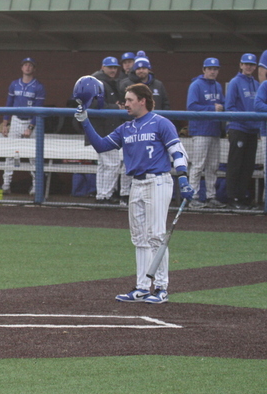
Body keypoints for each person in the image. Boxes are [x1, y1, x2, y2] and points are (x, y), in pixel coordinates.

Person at [74, 82, 194, 304]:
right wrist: (86, 122)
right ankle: (141, 287)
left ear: (142, 100)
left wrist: (184, 177)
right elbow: (101, 146)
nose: (125, 104)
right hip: (135, 185)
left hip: (158, 182)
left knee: (156, 235)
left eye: (129, 100)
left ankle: (161, 288)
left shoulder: (161, 123)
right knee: (139, 238)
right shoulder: (125, 128)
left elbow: (177, 150)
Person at [116, 53, 169, 206]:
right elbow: (123, 105)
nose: (141, 71)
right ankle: (125, 194)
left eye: (144, 68)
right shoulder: (126, 84)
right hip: (134, 128)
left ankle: (153, 197)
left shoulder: (158, 85)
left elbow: (166, 103)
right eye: (138, 68)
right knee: (129, 162)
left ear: (149, 69)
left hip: (155, 128)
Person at [0, 57, 46, 195]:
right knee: (10, 154)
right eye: (25, 65)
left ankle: (37, 187)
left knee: (34, 156)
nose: (28, 67)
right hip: (16, 120)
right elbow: (9, 103)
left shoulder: (39, 86)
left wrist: (30, 127)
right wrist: (5, 123)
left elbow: (39, 109)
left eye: (30, 65)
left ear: (34, 69)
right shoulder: (14, 84)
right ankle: (6, 184)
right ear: (21, 67)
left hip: (31, 122)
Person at [186, 58, 225, 209]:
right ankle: (192, 197)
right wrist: (212, 108)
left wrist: (221, 107)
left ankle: (211, 196)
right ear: (204, 69)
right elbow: (191, 106)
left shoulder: (218, 85)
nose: (213, 71)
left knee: (213, 166)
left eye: (215, 69)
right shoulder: (196, 85)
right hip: (200, 131)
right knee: (198, 165)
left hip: (214, 131)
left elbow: (222, 104)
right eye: (210, 68)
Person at [85, 57, 125, 204]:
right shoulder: (96, 81)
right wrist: (116, 107)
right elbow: (93, 105)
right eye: (110, 67)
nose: (113, 70)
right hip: (101, 130)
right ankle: (106, 195)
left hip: (103, 130)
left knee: (104, 164)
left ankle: (102, 195)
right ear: (103, 67)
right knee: (112, 164)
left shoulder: (108, 82)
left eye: (115, 67)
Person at [224, 54, 260, 210]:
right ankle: (232, 197)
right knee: (235, 164)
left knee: (248, 166)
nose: (249, 67)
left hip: (252, 131)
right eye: (246, 64)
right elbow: (229, 107)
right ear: (240, 65)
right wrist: (246, 120)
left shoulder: (257, 84)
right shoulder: (235, 82)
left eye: (252, 64)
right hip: (238, 128)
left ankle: (242, 196)